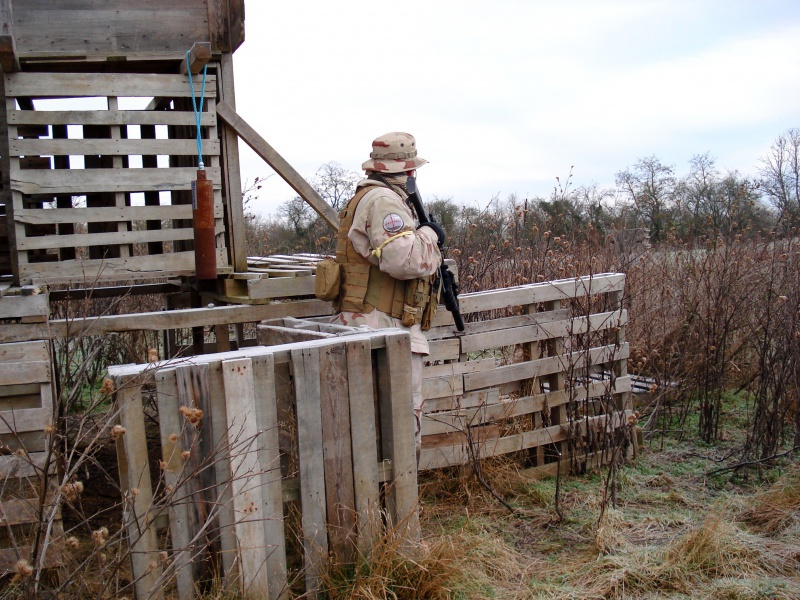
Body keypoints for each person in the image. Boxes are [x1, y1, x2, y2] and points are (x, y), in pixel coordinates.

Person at [332, 132, 444, 458]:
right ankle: (395, 503)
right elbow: (404, 260)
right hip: (380, 326)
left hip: (368, 323)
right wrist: (429, 235)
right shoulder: (383, 201)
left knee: (373, 421)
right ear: (408, 171)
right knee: (396, 421)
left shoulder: (371, 196)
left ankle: (381, 502)